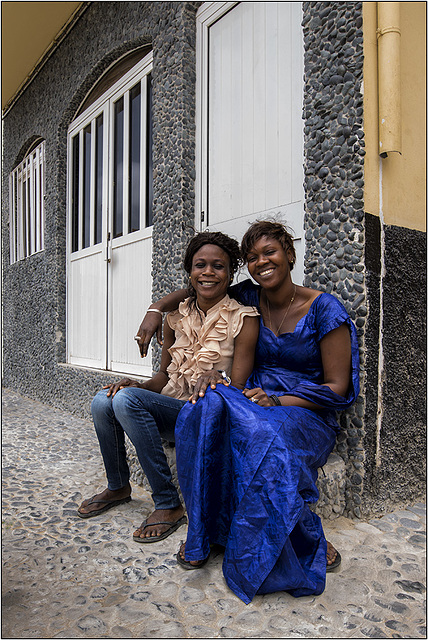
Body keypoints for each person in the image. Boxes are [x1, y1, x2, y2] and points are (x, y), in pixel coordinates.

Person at [135, 220, 360, 603]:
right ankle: (203, 531)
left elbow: (337, 387)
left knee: (264, 438)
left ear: (289, 253)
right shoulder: (249, 297)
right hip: (250, 399)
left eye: (270, 252)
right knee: (200, 411)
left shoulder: (324, 308)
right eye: (253, 258)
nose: (262, 262)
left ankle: (300, 533)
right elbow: (196, 289)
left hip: (305, 409)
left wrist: (279, 400)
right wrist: (155, 310)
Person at [77, 231, 259, 544]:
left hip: (206, 416)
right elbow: (165, 375)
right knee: (104, 400)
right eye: (200, 265)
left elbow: (239, 387)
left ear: (231, 273)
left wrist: (219, 378)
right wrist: (138, 386)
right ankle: (118, 486)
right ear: (189, 271)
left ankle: (168, 503)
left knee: (127, 401)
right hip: (171, 410)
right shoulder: (175, 317)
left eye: (218, 266)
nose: (208, 272)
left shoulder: (244, 318)